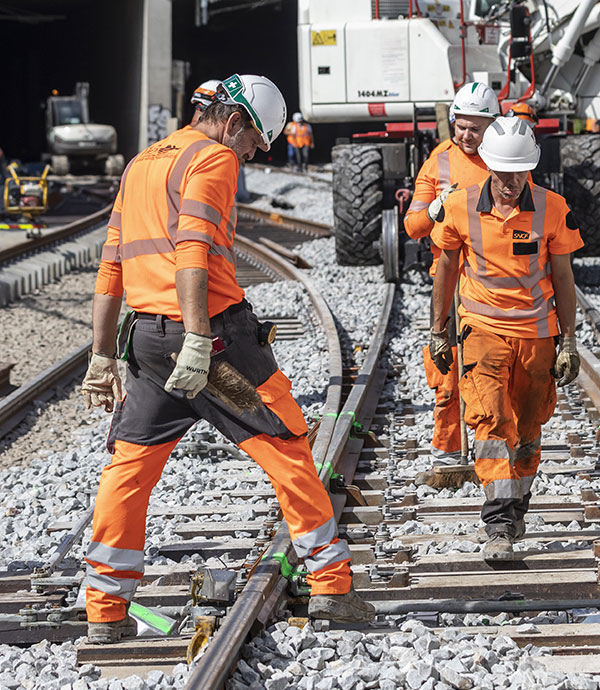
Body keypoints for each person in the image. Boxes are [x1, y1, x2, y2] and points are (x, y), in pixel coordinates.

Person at [80, 73, 375, 644]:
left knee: (129, 466)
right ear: (234, 120)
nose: (250, 155)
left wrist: (100, 356)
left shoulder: (141, 163)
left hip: (145, 341)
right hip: (214, 345)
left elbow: (111, 266)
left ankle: (105, 611)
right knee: (287, 443)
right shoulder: (212, 159)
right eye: (253, 143)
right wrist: (197, 338)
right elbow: (193, 249)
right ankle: (334, 588)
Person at [429, 116, 583, 561]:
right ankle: (498, 520)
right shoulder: (459, 207)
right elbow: (445, 271)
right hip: (482, 328)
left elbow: (564, 276)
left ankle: (517, 503)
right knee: (491, 421)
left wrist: (569, 340)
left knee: (529, 429)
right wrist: (439, 331)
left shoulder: (553, 209)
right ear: (488, 166)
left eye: (520, 172)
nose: (512, 182)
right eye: (503, 172)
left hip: (537, 335)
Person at [404, 82, 500, 465]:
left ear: (492, 126)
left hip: (495, 282)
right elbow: (412, 226)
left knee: (492, 367)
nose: (465, 135)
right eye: (460, 126)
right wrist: (433, 210)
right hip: (451, 281)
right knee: (447, 370)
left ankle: (492, 446)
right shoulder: (438, 162)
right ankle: (447, 449)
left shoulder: (503, 158)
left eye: (474, 129)